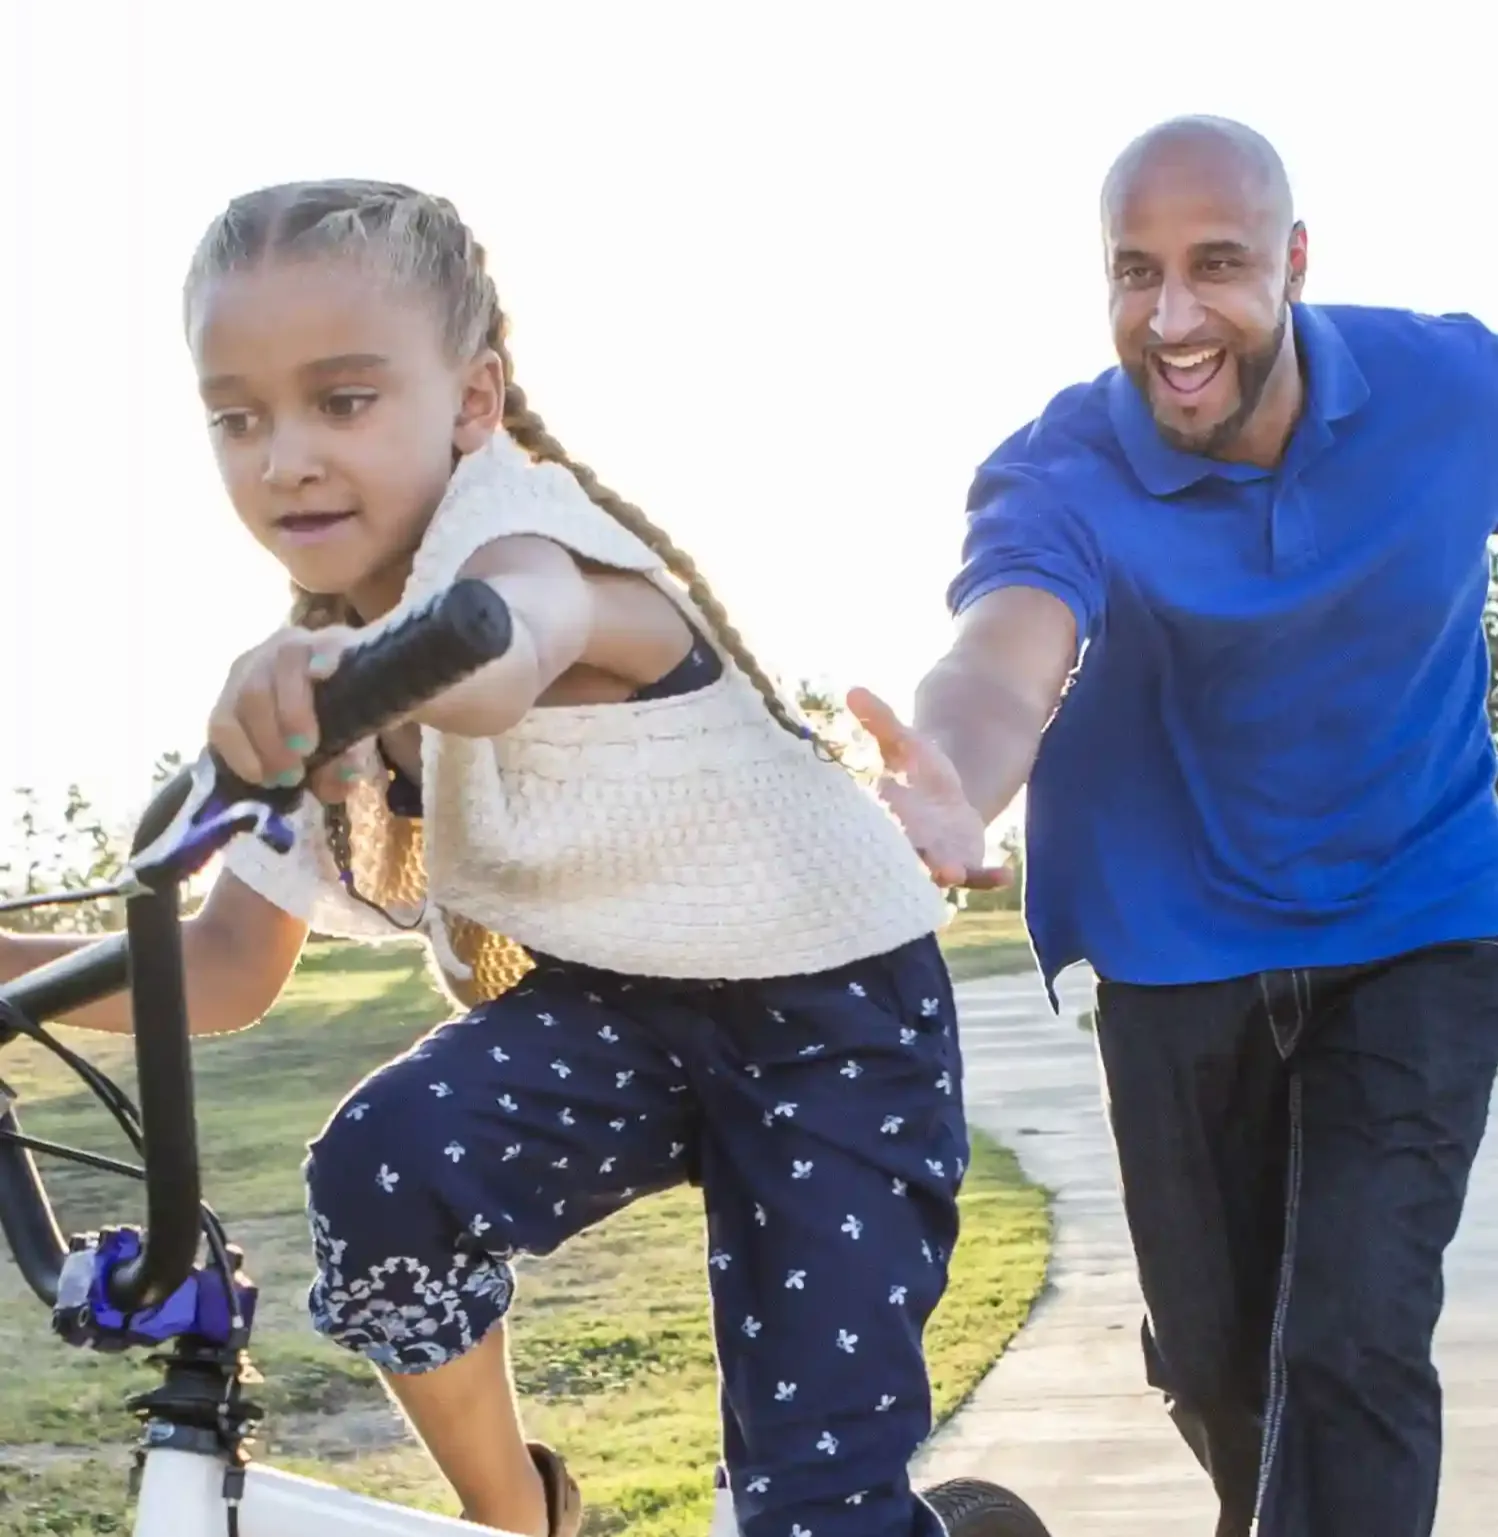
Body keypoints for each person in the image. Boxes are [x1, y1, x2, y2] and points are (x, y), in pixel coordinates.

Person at [0, 179, 968, 1537]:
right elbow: (218, 970)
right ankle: (519, 1516)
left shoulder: (530, 536)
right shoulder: (310, 684)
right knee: (381, 1166)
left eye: (342, 401)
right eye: (237, 416)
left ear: (470, 401)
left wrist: (351, 674)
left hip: (834, 1017)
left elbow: (508, 640)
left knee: (812, 1502)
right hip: (615, 1011)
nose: (284, 458)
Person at [850, 115, 1498, 1537]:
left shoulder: (1449, 389)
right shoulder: (1061, 469)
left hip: (1420, 922)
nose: (1172, 316)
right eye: (1133, 273)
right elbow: (1000, 652)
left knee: (1352, 1337)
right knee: (1217, 1371)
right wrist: (955, 774)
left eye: (1214, 267)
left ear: (1293, 263)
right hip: (1172, 947)